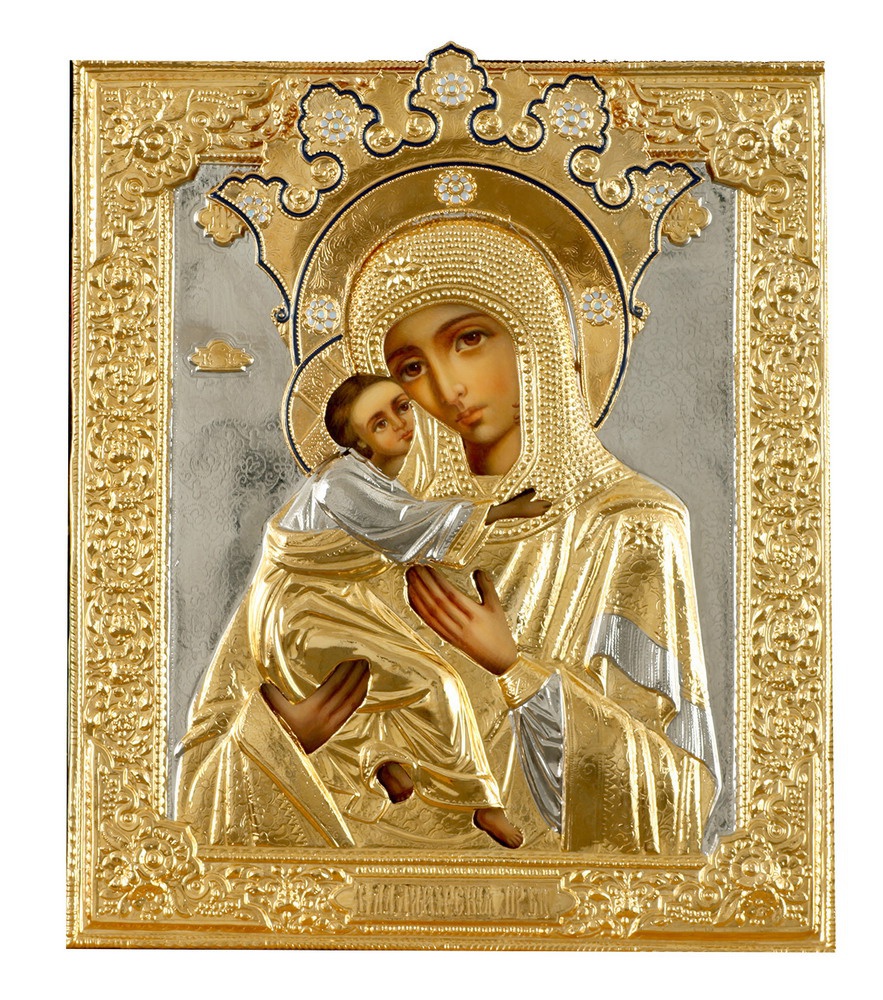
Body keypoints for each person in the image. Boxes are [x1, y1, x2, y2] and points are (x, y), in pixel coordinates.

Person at [177, 217, 721, 854]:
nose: (446, 388)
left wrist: (516, 670)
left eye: (469, 339)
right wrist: (286, 739)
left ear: (536, 339)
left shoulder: (628, 526)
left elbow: (677, 800)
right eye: (410, 367)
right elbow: (198, 786)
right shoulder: (358, 529)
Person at [253, 372, 548, 847]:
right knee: (435, 682)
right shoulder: (340, 485)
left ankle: (382, 762)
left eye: (402, 407)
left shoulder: (372, 479)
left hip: (338, 603)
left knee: (394, 677)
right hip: (300, 615)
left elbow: (409, 526)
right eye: (380, 423)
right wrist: (498, 512)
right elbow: (407, 528)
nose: (401, 423)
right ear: (360, 443)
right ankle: (481, 804)